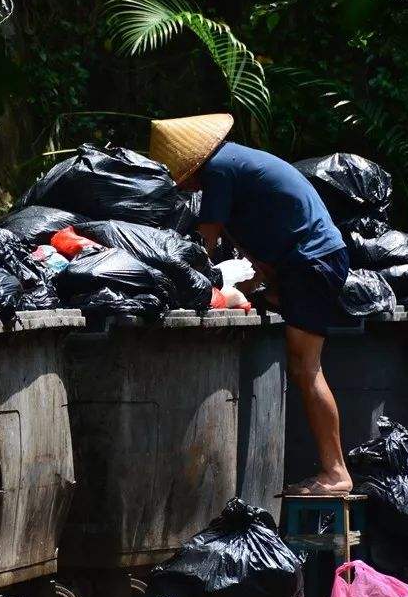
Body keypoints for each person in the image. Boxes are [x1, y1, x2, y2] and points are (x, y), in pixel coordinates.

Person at [149, 113, 353, 494]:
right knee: (300, 363)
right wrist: (259, 280)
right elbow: (254, 232)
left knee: (305, 368)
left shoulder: (219, 171)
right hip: (302, 262)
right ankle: (333, 468)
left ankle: (336, 472)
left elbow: (202, 248)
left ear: (192, 164)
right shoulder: (234, 163)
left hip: (312, 262)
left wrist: (178, 279)